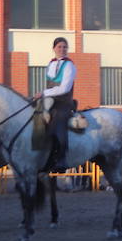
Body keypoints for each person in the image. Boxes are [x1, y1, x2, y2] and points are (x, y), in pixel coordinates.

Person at [34, 37, 76, 173]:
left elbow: (64, 88)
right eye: (59, 47)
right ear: (54, 49)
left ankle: (62, 158)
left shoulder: (69, 65)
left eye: (65, 47)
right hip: (49, 100)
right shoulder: (50, 64)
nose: (62, 49)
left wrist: (44, 93)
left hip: (63, 102)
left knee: (58, 121)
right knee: (35, 117)